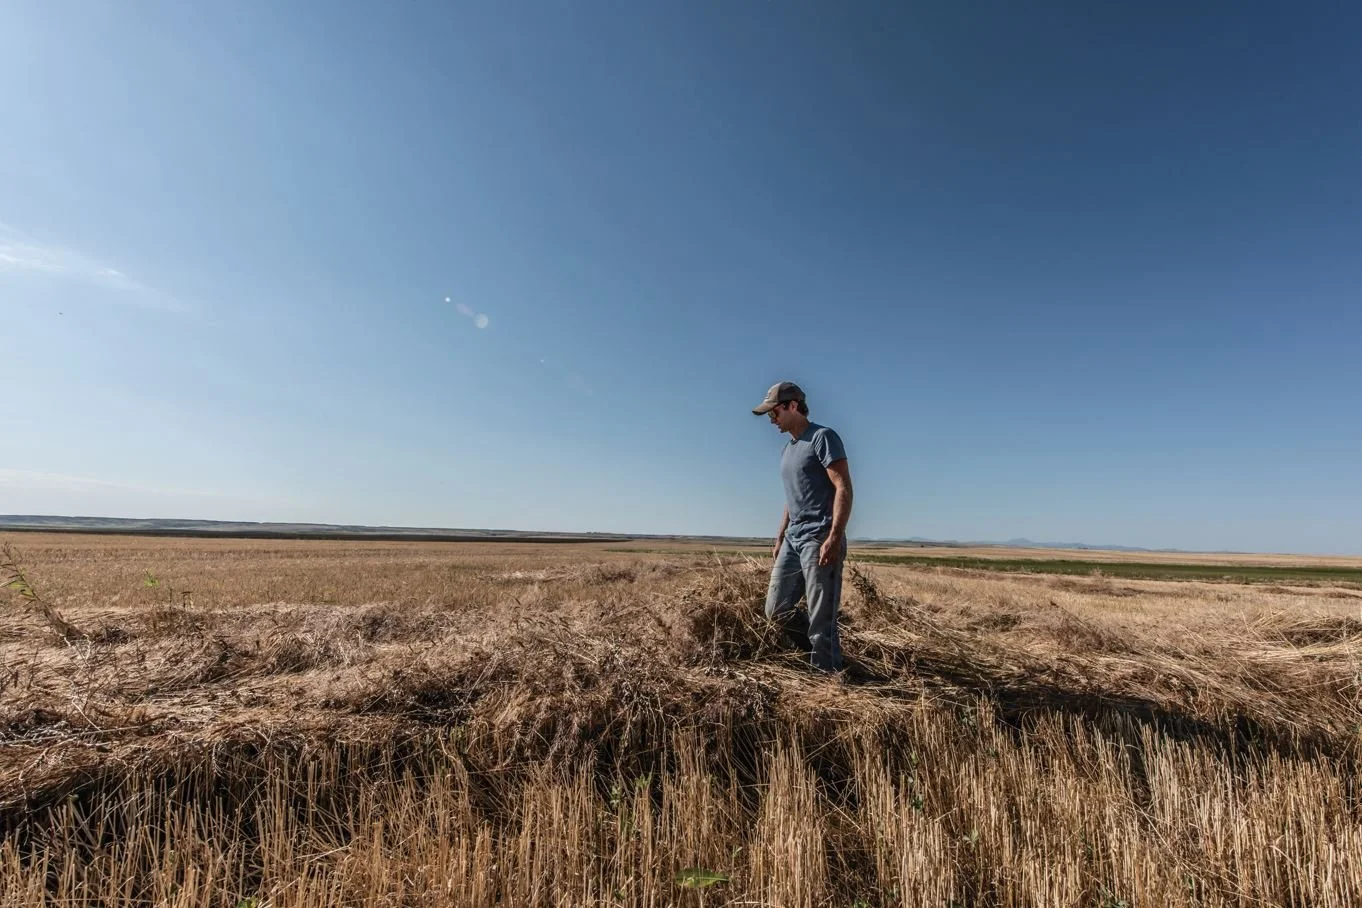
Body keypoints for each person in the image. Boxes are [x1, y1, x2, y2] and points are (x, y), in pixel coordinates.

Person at [751, 381, 853, 673]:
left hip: (819, 537)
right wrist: (780, 536)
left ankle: (828, 679)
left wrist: (834, 536)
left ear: (792, 406)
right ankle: (815, 653)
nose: (772, 419)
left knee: (822, 620)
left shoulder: (823, 438)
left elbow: (843, 486)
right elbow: (792, 497)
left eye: (774, 413)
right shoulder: (788, 450)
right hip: (794, 539)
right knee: (775, 610)